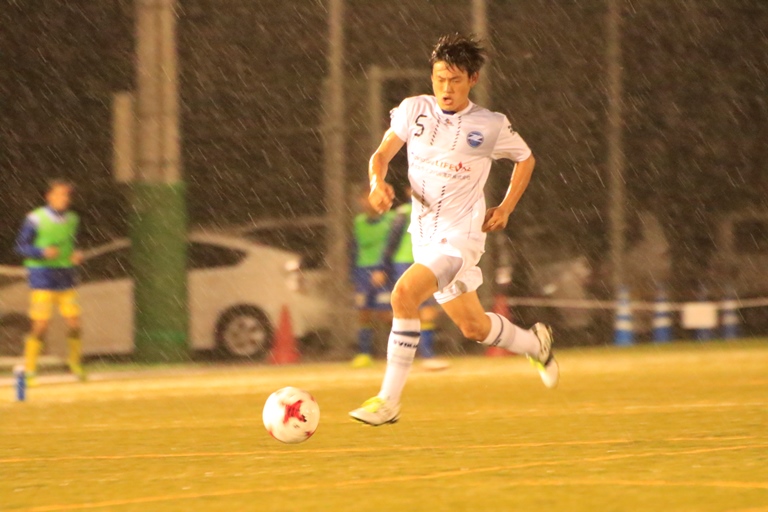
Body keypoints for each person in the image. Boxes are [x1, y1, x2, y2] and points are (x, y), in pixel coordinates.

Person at [350, 34, 558, 426]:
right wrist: (378, 184)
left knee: (403, 295)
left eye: (456, 80)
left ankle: (388, 402)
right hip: (425, 239)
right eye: (440, 79)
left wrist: (506, 207)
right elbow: (380, 155)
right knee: (473, 327)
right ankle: (536, 344)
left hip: (461, 237)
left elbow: (525, 159)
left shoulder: (489, 124)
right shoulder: (414, 110)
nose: (446, 88)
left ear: (472, 79)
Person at [15, 179, 86, 385]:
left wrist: (75, 254)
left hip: (66, 277)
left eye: (66, 195)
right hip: (42, 277)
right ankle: (30, 368)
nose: (63, 198)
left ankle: (74, 363)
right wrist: (41, 252)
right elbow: (20, 246)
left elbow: (71, 244)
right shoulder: (35, 218)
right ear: (49, 196)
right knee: (40, 325)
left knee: (74, 323)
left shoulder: (73, 219)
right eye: (59, 194)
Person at [376, 186, 449, 371]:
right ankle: (403, 356)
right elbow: (391, 242)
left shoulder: (437, 211)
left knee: (427, 310)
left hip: (427, 261)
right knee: (407, 309)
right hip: (404, 263)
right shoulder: (404, 212)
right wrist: (382, 267)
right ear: (408, 191)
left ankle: (426, 354)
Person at [350, 187, 395, 368]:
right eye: (365, 199)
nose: (367, 203)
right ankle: (364, 353)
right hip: (363, 271)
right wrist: (354, 275)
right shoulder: (359, 222)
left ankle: (399, 350)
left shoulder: (392, 219)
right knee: (364, 312)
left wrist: (384, 269)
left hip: (384, 271)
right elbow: (354, 248)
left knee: (386, 314)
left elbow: (393, 246)